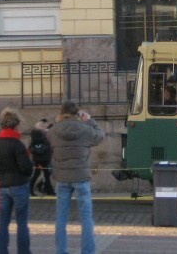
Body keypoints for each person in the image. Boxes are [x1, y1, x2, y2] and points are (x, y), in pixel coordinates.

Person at [48, 100, 105, 254]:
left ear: (61, 112)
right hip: (81, 177)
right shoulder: (85, 129)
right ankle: (87, 251)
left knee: (61, 218)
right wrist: (90, 120)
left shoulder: (54, 130)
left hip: (62, 177)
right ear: (77, 113)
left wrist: (57, 121)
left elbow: (49, 139)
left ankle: (61, 251)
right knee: (86, 219)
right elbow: (100, 136)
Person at [0, 107, 34, 254]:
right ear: (16, 125)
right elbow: (26, 168)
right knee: (22, 223)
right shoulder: (17, 144)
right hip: (19, 185)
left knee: (3, 223)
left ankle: (1, 251)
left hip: (2, 187)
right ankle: (23, 252)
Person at [29, 118, 55, 196]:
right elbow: (36, 141)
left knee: (47, 174)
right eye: (41, 126)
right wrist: (45, 134)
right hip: (39, 159)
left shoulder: (44, 133)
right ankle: (32, 189)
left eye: (44, 126)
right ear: (38, 126)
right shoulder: (35, 133)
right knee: (37, 174)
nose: (43, 127)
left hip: (45, 158)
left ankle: (47, 189)